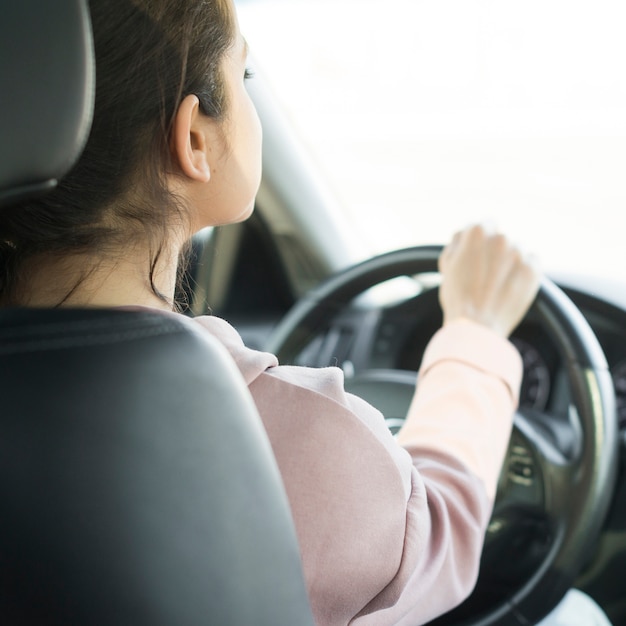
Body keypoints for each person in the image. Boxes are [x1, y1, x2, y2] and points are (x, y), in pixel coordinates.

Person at [0, 0, 612, 624]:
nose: (250, 98)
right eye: (245, 78)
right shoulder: (294, 440)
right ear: (194, 140)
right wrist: (476, 331)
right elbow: (443, 534)